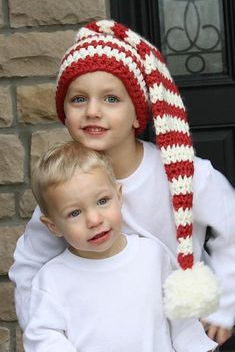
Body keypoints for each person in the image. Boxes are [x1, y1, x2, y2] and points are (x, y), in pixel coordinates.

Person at [9, 19, 235, 346]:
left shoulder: (182, 174)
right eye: (78, 100)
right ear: (64, 113)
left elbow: (231, 222)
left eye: (111, 99)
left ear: (137, 115)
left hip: (168, 332)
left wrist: (223, 305)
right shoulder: (66, 190)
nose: (93, 111)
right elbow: (30, 266)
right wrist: (46, 335)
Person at [23, 140, 217, 352]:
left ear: (119, 196)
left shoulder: (151, 256)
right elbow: (43, 337)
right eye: (75, 213)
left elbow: (181, 321)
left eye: (103, 201)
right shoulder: (52, 279)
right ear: (53, 226)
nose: (94, 220)